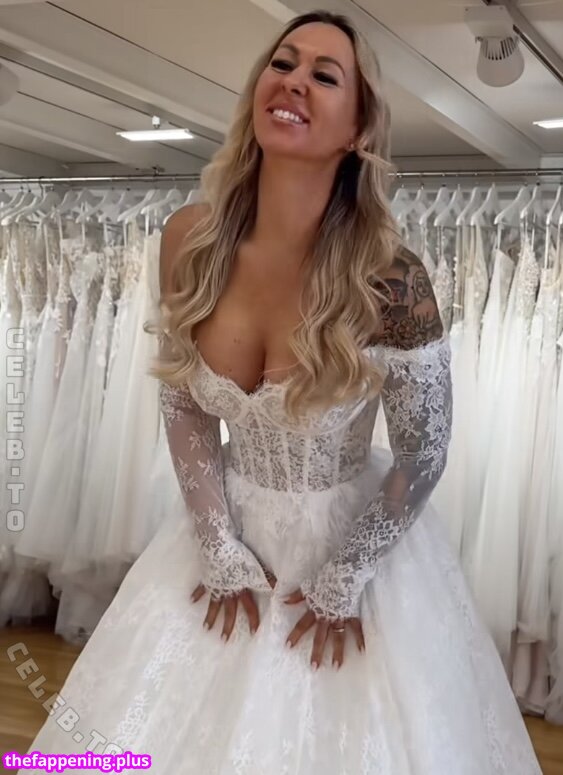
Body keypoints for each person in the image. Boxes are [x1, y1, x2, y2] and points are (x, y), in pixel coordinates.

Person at [19, 10, 541, 774]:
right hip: (221, 533)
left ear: (356, 128)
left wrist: (348, 571)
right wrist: (214, 540)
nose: (293, 81)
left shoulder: (391, 278)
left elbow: (422, 452)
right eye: (283, 62)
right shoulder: (189, 238)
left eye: (323, 75)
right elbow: (184, 400)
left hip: (345, 552)